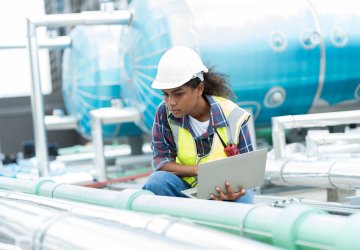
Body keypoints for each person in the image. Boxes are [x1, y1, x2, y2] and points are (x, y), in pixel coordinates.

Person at [142, 46, 254, 203]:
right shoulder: (164, 112)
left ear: (199, 89)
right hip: (187, 191)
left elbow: (247, 171)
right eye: (166, 94)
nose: (171, 102)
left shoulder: (233, 115)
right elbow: (161, 162)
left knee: (244, 197)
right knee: (157, 182)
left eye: (178, 94)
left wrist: (232, 192)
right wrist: (198, 171)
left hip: (225, 190)